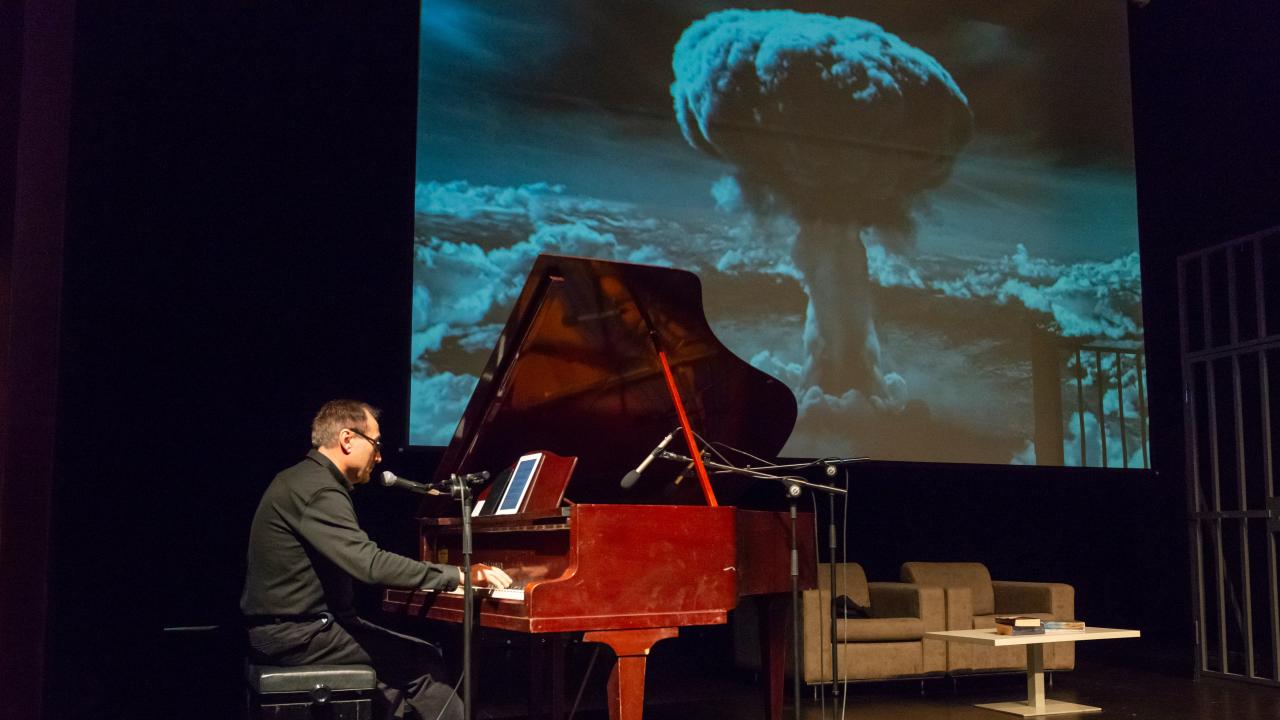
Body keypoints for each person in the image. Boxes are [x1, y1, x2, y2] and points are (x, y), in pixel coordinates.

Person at [241, 399, 511, 720]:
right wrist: (460, 575)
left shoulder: (302, 479)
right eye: (376, 444)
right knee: (424, 661)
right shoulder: (319, 490)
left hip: (293, 629)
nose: (380, 456)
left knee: (392, 685)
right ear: (346, 439)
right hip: (298, 635)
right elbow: (369, 564)